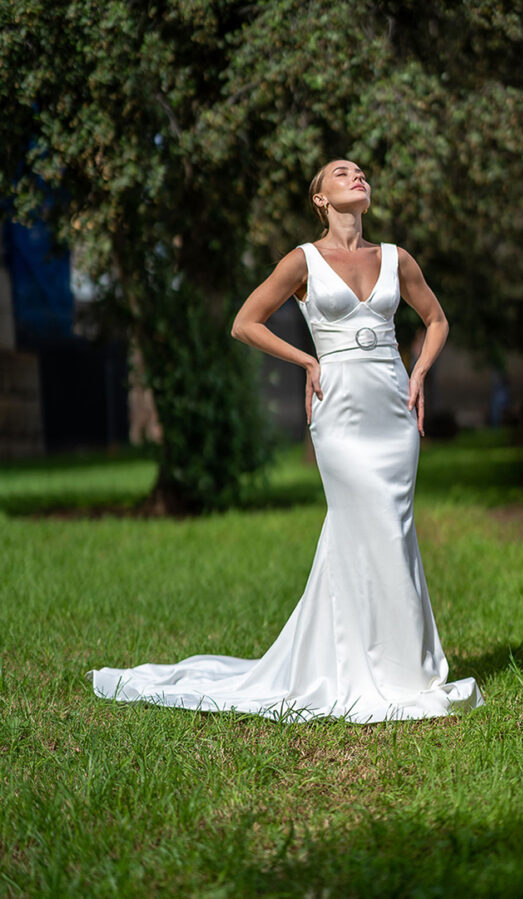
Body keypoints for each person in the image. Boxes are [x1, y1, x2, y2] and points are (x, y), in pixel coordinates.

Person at [87, 159, 484, 723]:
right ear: (320, 198)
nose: (357, 175)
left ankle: (402, 670)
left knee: (391, 528)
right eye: (341, 173)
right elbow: (245, 322)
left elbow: (437, 320)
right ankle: (360, 668)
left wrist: (419, 372)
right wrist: (306, 361)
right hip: (339, 411)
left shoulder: (397, 258)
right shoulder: (303, 259)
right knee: (361, 521)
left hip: (393, 410)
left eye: (361, 171)